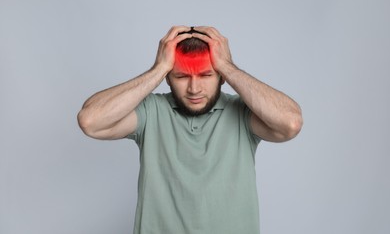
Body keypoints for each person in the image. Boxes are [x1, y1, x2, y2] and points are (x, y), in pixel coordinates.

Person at [77, 26, 303, 234]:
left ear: (221, 77)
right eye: (182, 76)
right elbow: (90, 121)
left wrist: (227, 66)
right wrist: (159, 68)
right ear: (168, 78)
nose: (194, 89)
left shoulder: (243, 113)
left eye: (206, 75)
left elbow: (290, 123)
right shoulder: (152, 111)